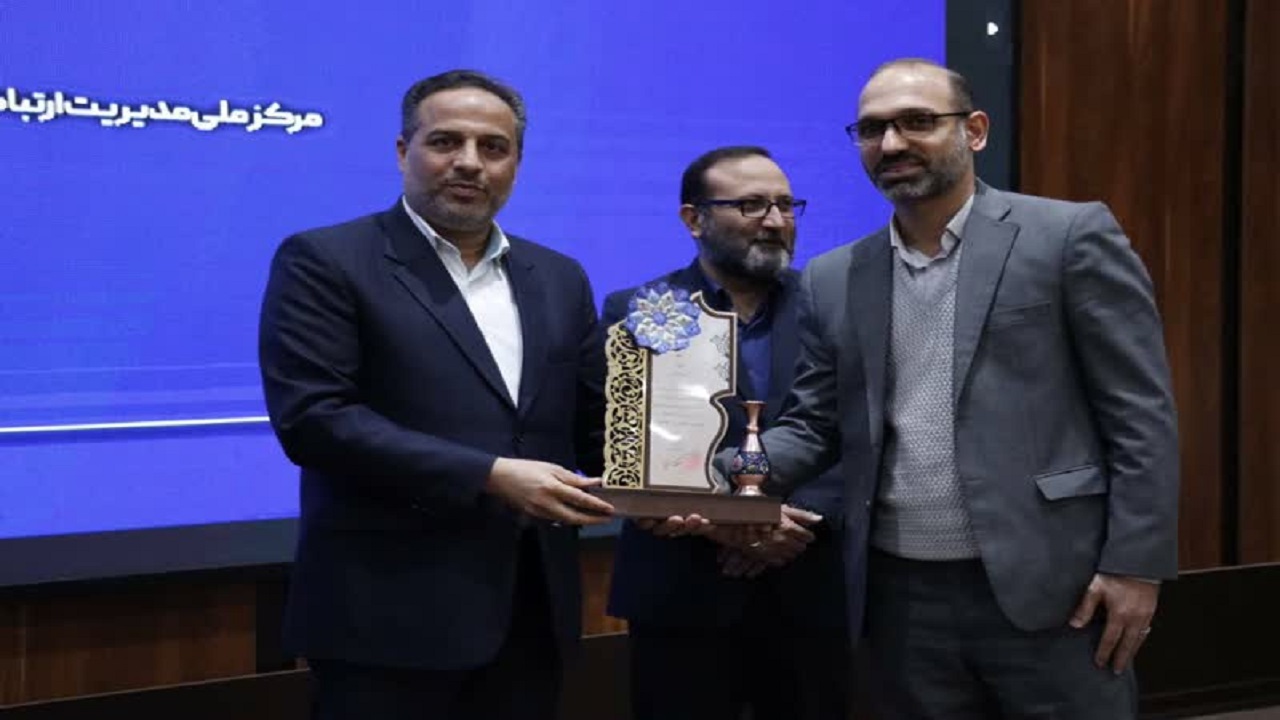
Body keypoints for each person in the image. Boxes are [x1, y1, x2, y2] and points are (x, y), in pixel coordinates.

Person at [737, 58, 1180, 718]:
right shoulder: (834, 276)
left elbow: (1140, 413)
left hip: (1055, 585)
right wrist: (711, 473)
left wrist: (1135, 565)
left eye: (917, 122)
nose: (891, 143)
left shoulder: (1066, 237)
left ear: (974, 131)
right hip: (899, 597)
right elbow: (812, 424)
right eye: (872, 129)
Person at [257, 69, 615, 720]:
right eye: (446, 141)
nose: (470, 163)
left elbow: (596, 425)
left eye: (493, 147)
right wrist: (489, 475)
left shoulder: (559, 277)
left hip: (529, 613)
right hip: (385, 619)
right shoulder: (326, 260)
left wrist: (685, 490)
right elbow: (314, 419)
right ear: (404, 152)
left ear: (516, 162)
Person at [603, 146, 851, 720]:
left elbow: (849, 431)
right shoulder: (642, 311)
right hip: (683, 588)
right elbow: (633, 448)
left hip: (808, 581)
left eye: (786, 205)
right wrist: (740, 525)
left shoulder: (832, 309)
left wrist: (789, 524)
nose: (775, 221)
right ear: (694, 219)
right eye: (751, 205)